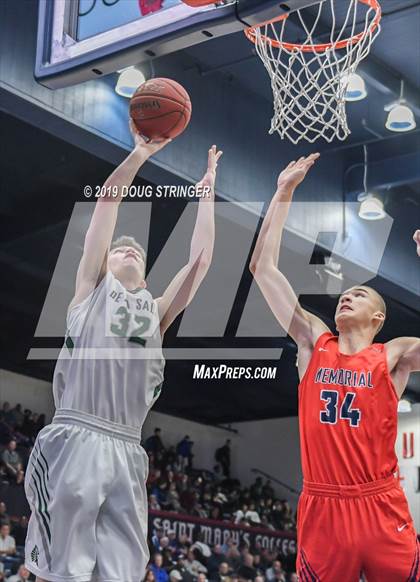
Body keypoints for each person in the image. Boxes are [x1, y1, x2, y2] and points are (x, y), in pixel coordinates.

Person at [24, 120, 223, 582]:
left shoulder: (156, 312)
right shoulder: (90, 289)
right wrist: (139, 155)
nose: (128, 250)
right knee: (61, 572)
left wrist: (206, 195)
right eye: (119, 249)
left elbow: (201, 261)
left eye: (136, 251)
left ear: (148, 277)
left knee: (121, 574)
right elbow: (106, 206)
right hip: (75, 436)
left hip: (128, 450)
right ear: (103, 262)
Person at [249, 154, 420, 581]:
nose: (347, 297)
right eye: (346, 294)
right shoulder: (313, 341)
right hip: (323, 505)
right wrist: (283, 192)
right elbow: (262, 269)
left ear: (378, 318)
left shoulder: (393, 354)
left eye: (360, 295)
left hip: (380, 503)